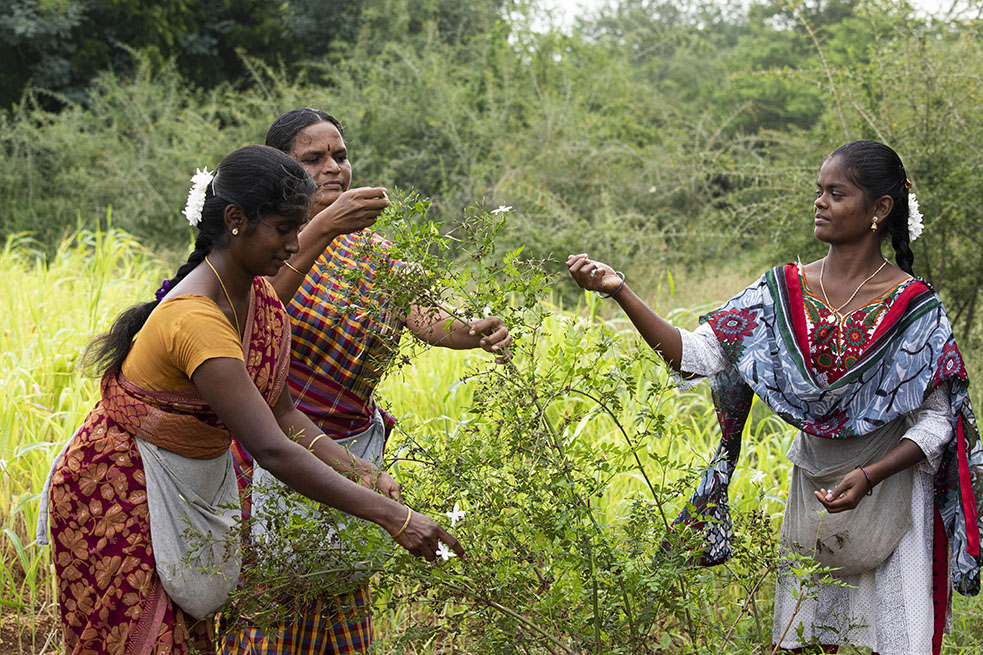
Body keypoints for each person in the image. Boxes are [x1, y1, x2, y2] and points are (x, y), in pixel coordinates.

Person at [44, 145, 462, 655]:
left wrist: (361, 470)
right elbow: (270, 448)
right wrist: (394, 517)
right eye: (285, 229)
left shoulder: (261, 302)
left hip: (183, 488)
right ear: (236, 220)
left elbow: (284, 414)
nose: (294, 245)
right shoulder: (196, 320)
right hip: (119, 492)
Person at [567, 140, 981, 654]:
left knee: (898, 640)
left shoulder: (916, 309)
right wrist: (620, 290)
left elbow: (938, 421)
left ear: (880, 209)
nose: (820, 202)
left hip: (894, 499)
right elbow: (694, 355)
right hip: (815, 489)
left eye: (837, 193)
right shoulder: (779, 292)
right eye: (818, 191)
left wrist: (870, 475)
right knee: (804, 639)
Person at [215, 108, 512, 653]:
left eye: (341, 156)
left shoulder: (370, 252)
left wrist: (475, 331)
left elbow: (423, 315)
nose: (334, 168)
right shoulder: (265, 247)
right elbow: (259, 308)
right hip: (274, 449)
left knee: (340, 595)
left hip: (353, 454)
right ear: (281, 171)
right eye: (313, 159)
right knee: (273, 597)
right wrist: (322, 224)